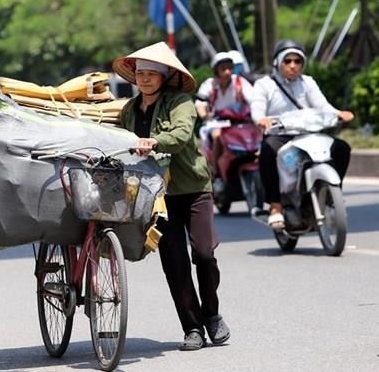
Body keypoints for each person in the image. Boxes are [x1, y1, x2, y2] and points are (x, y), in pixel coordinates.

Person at [113, 42, 230, 351]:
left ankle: (213, 315)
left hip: (193, 189)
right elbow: (117, 141)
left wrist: (153, 141)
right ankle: (192, 328)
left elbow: (179, 136)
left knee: (204, 254)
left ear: (164, 77)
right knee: (174, 262)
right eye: (141, 73)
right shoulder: (128, 110)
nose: (146, 79)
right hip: (156, 195)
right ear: (134, 77)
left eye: (152, 73)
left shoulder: (181, 102)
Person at [251, 39, 355, 228]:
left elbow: (322, 106)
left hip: (308, 134)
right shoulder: (264, 84)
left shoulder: (308, 82)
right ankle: (275, 206)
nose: (293, 66)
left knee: (341, 148)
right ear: (277, 62)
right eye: (287, 61)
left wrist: (339, 113)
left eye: (297, 61)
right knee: (267, 151)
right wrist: (261, 119)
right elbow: (257, 109)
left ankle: (332, 195)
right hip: (280, 136)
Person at [195, 52, 254, 180]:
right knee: (217, 135)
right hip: (216, 122)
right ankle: (215, 172)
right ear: (216, 70)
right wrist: (204, 115)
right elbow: (200, 102)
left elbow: (254, 100)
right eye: (223, 69)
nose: (227, 72)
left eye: (229, 68)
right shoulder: (209, 84)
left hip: (238, 123)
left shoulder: (240, 82)